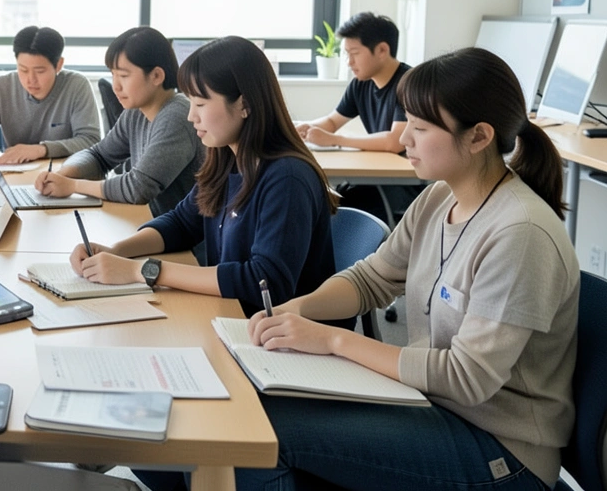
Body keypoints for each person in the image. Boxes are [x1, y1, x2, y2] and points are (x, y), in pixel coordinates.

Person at [238, 47, 577, 491]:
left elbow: (466, 378)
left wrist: (334, 339)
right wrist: (296, 310)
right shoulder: (440, 198)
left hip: (502, 453)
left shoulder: (520, 233)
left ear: (478, 137)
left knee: (264, 435)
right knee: (259, 407)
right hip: (430, 407)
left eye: (419, 127)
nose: (404, 140)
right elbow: (370, 279)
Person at [68, 36, 341, 317]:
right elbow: (182, 224)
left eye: (200, 104)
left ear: (244, 104)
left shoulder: (287, 178)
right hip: (234, 318)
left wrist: (143, 270)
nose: (191, 117)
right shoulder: (227, 159)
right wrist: (117, 251)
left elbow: (264, 281)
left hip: (284, 338)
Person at [36, 27, 203, 216]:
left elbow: (139, 188)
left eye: (123, 76)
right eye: (113, 74)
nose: (116, 86)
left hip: (184, 241)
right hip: (151, 224)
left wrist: (73, 185)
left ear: (156, 75)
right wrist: (63, 174)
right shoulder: (136, 112)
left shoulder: (177, 116)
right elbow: (99, 155)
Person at [295, 11, 424, 220]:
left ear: (382, 50)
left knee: (332, 205)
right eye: (346, 54)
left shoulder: (409, 83)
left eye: (354, 53)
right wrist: (301, 128)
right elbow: (332, 121)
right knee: (322, 197)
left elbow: (395, 141)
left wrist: (334, 140)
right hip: (377, 179)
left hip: (403, 186)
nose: (349, 62)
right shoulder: (361, 84)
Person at [0, 25, 101, 165]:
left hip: (64, 176)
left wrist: (41, 150)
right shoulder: (1, 87)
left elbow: (91, 140)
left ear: (59, 65)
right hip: (12, 176)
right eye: (23, 70)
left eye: (39, 71)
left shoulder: (77, 86)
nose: (30, 80)